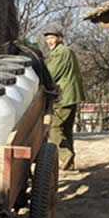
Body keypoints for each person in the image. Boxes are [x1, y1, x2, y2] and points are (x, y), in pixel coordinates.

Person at [44, 23, 86, 171]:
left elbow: (51, 75)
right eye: (47, 38)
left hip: (64, 96)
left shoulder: (61, 52)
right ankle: (70, 165)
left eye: (52, 38)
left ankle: (66, 156)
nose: (49, 41)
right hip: (71, 95)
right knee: (66, 130)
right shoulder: (66, 51)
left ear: (60, 38)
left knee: (54, 128)